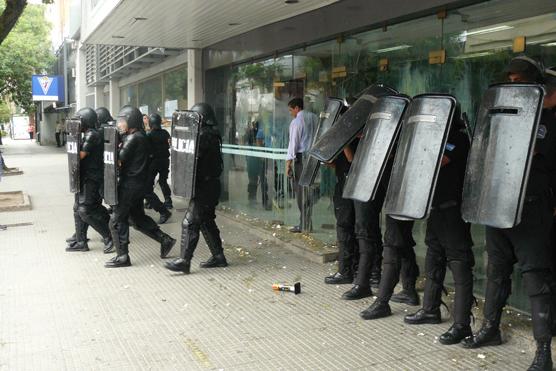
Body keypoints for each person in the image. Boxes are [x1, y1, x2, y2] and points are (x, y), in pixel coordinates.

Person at [462, 56, 554, 371]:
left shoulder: (551, 120)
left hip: (531, 208)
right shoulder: (499, 114)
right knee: (497, 270)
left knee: (535, 277)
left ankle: (543, 351)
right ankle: (490, 329)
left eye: (519, 81)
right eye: (510, 80)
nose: (513, 85)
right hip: (498, 204)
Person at [396, 107, 475, 346]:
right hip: (436, 208)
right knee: (433, 259)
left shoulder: (457, 138)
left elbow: (436, 161)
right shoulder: (437, 137)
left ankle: (462, 324)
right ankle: (430, 309)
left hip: (452, 210)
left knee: (459, 264)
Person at [105, 106, 176, 268]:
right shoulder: (139, 136)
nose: (120, 125)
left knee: (116, 220)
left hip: (130, 185)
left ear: (131, 121)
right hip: (137, 185)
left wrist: (111, 145)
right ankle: (165, 239)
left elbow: (118, 161)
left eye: (123, 121)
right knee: (137, 218)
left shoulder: (133, 138)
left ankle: (122, 257)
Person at [165, 102, 228, 274]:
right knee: (206, 222)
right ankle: (218, 257)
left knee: (190, 222)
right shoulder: (209, 134)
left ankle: (184, 261)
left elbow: (192, 154)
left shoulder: (205, 135)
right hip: (206, 185)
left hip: (205, 187)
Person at [65, 108, 113, 254]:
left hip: (92, 179)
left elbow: (79, 155)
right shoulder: (87, 134)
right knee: (78, 208)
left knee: (86, 210)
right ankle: (81, 240)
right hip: (84, 177)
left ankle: (109, 236)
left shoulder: (92, 135)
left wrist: (72, 139)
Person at [286, 98, 314, 233]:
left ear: (297, 108)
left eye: (291, 110)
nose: (291, 113)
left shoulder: (296, 122)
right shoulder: (314, 118)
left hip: (301, 160)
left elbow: (293, 145)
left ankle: (304, 224)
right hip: (313, 158)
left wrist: (288, 164)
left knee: (301, 192)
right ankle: (307, 222)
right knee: (309, 191)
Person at [143, 113, 172, 223]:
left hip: (154, 162)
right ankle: (168, 201)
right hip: (165, 160)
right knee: (163, 181)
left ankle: (150, 201)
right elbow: (168, 145)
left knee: (149, 183)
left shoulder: (149, 135)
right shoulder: (165, 133)